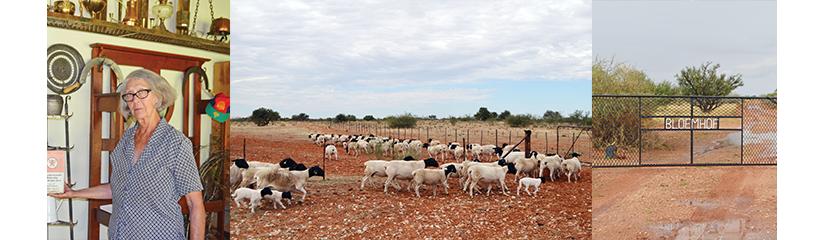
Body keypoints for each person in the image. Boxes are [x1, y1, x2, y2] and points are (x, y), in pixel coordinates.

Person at [49, 69, 205, 240]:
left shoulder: (176, 143)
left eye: (142, 92)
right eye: (129, 95)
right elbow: (118, 187)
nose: (135, 100)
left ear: (157, 97)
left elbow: (195, 204)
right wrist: (73, 193)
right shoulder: (126, 140)